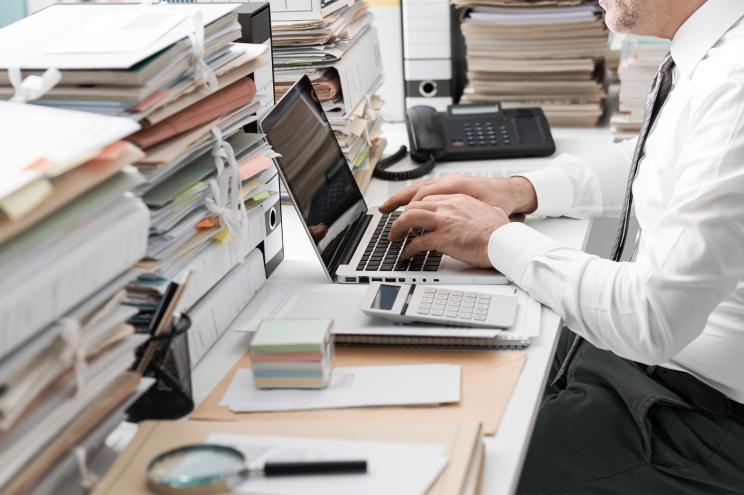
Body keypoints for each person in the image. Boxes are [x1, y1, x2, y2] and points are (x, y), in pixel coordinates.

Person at [381, 0, 744, 492]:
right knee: (438, 385)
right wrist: (522, 189)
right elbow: (668, 160)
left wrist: (495, 238)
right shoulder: (715, 49)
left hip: (701, 421)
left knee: (463, 473)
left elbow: (653, 317)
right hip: (649, 367)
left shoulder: (735, 83)